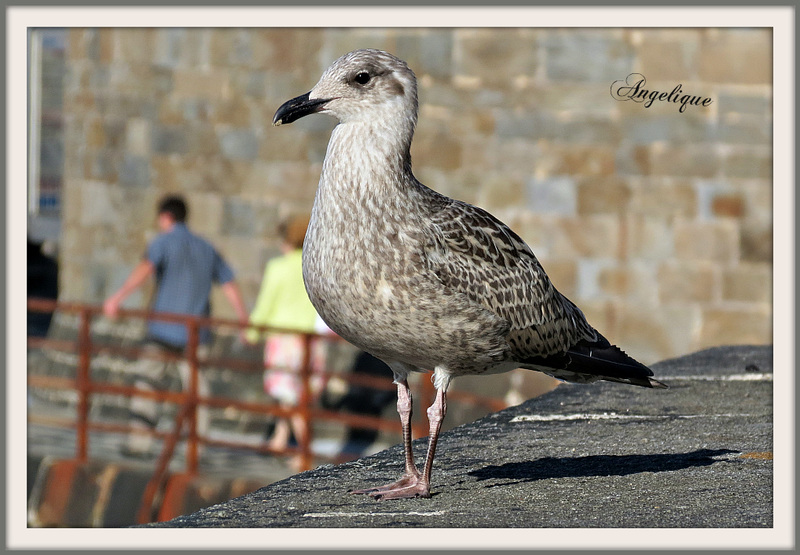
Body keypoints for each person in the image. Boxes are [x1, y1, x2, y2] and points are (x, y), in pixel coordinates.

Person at [104, 194, 249, 457]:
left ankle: (140, 443)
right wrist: (242, 319)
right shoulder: (207, 247)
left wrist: (118, 297)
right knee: (196, 392)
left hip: (162, 327)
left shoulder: (162, 242)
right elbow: (229, 283)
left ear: (165, 217)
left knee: (147, 383)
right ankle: (197, 448)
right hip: (195, 332)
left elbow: (145, 269)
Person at [246, 215, 329, 460]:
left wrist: (252, 331)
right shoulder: (317, 266)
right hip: (311, 339)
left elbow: (265, 304)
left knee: (287, 395)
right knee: (294, 394)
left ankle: (304, 450)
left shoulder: (278, 267)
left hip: (284, 339)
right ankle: (280, 439)